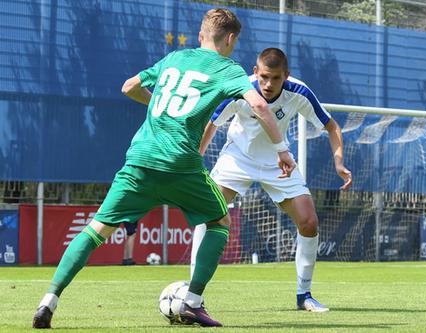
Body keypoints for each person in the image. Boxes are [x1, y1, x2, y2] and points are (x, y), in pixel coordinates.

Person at [32, 9, 295, 328]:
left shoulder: (174, 58)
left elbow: (129, 86)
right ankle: (193, 302)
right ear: (230, 39)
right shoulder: (228, 68)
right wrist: (282, 150)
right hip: (180, 163)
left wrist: (160, 104)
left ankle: (49, 300)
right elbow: (257, 104)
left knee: (98, 228)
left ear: (200, 36)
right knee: (219, 220)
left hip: (140, 159)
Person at [191, 48, 352, 313]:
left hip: (279, 163)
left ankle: (305, 295)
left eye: (275, 78)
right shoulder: (239, 89)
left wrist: (339, 162)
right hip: (237, 159)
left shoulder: (299, 92)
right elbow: (212, 124)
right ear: (255, 72)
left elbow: (332, 127)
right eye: (264, 76)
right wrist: (195, 159)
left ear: (285, 76)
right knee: (208, 213)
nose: (268, 84)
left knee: (309, 222)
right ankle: (193, 292)